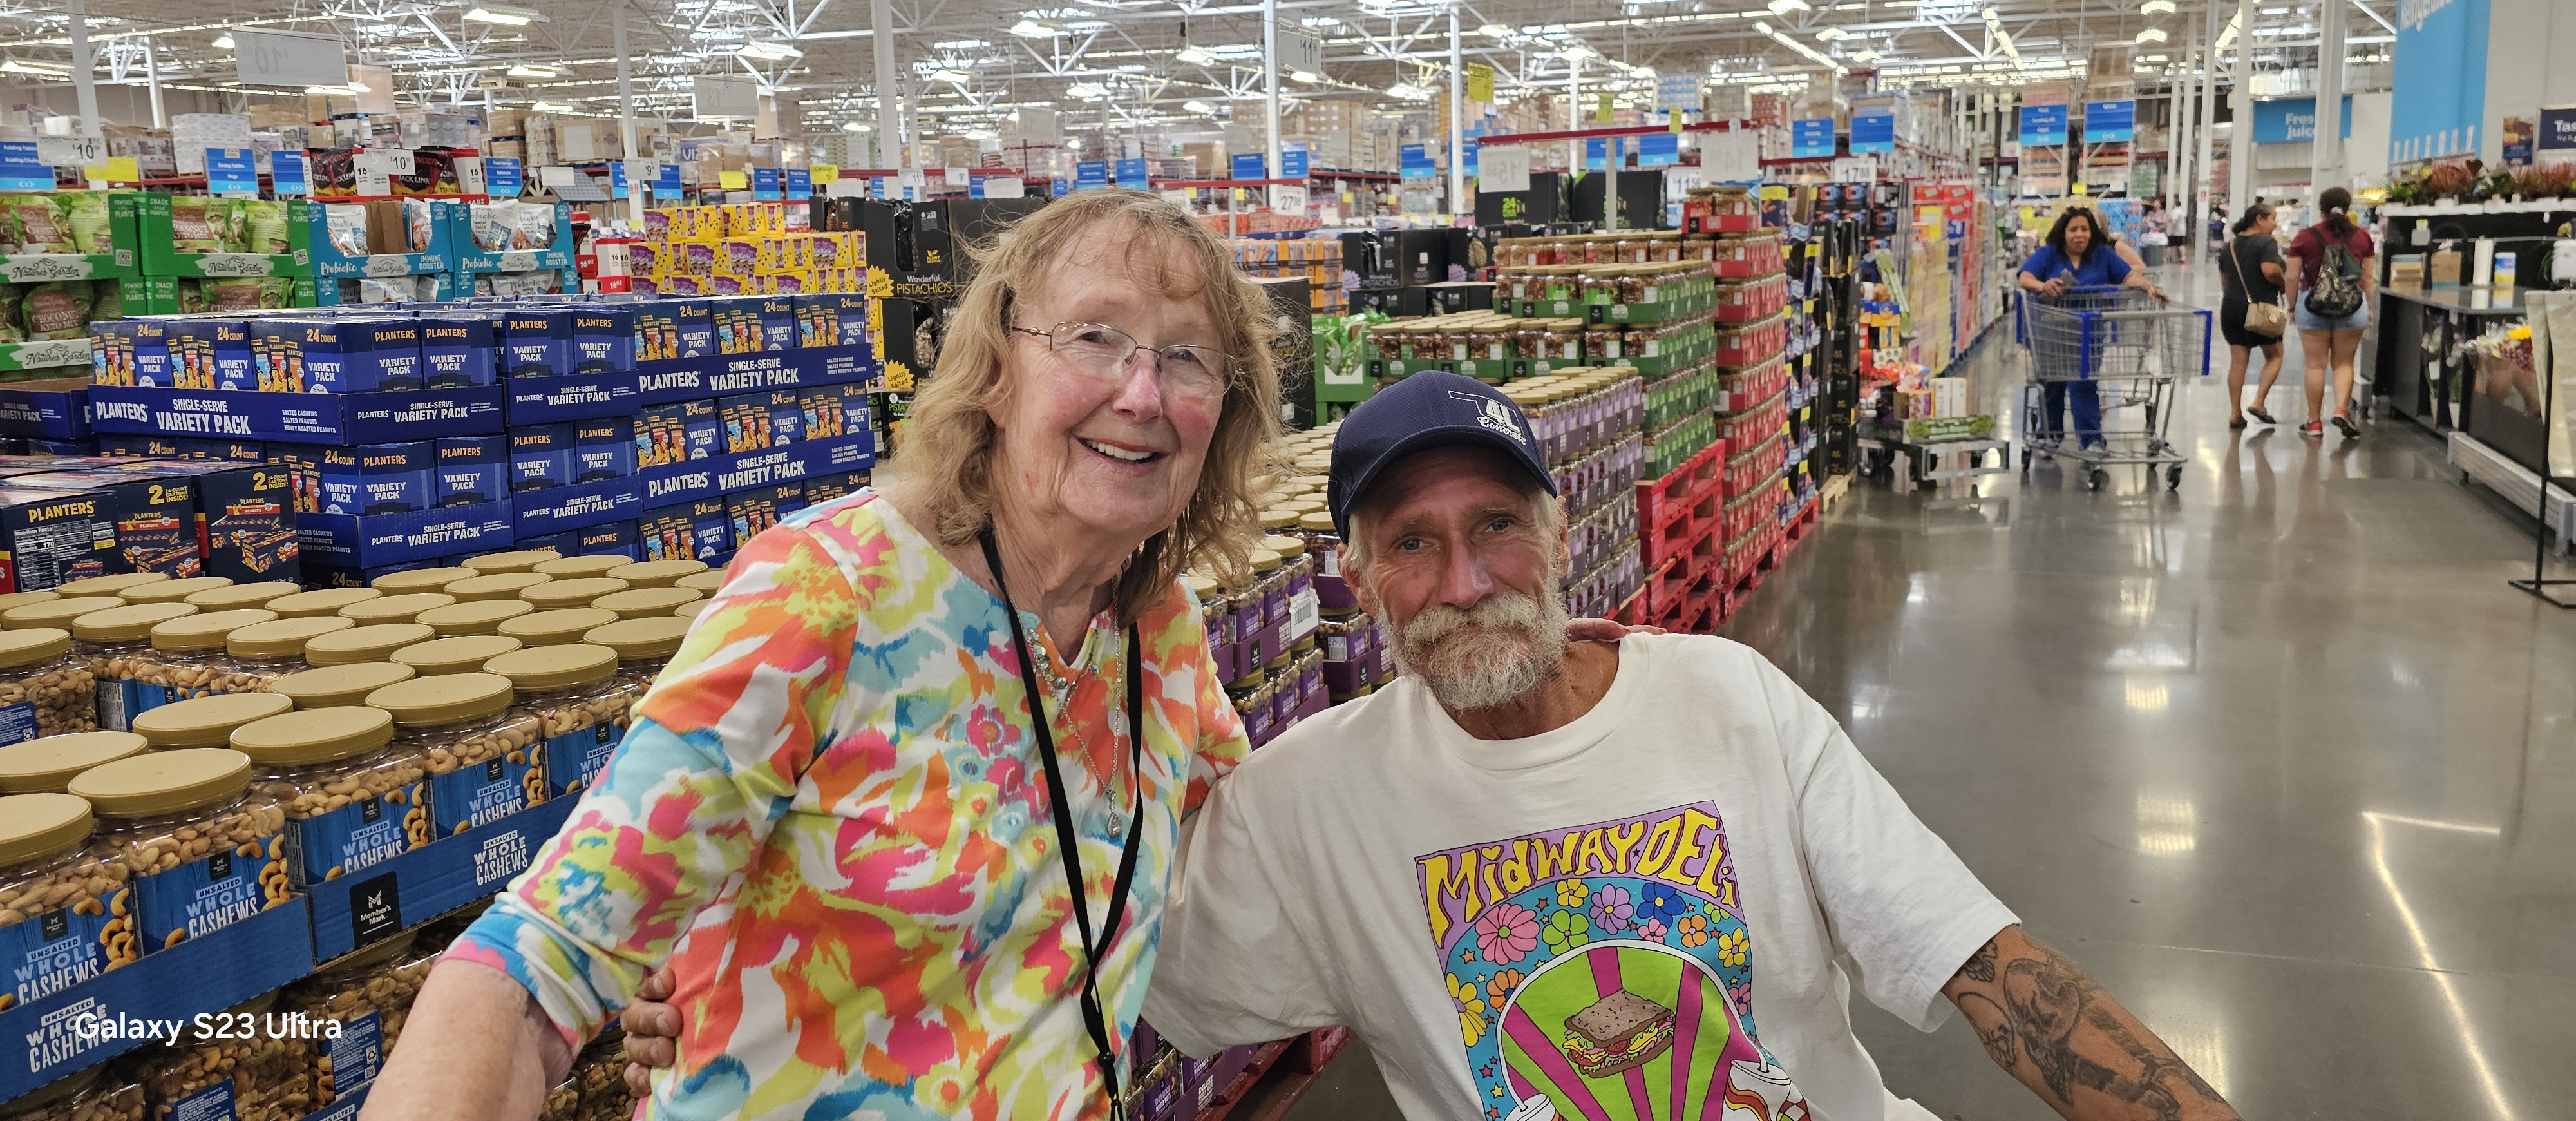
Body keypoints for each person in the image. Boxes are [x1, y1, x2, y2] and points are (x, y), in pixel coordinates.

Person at [629, 372, 2245, 1121]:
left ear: (1561, 531)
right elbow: (1049, 971)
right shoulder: (1307, 798)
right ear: (1357, 580)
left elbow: (1989, 975)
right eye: (1408, 543)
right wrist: (737, 987)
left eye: (1492, 525)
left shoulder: (1728, 702)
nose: (1460, 575)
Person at [363, 188, 1289, 1121]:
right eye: (1094, 337)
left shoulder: (1156, 626)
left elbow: (1246, 841)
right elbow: (537, 960)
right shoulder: (827, 595)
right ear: (999, 370)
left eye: (1187, 358)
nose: (1142, 392)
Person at [2016, 207, 2167, 450]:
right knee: (2052, 383)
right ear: (2063, 232)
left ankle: (2092, 440)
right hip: (2051, 332)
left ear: (2092, 232)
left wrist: (2147, 285)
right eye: (2073, 229)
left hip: (2090, 334)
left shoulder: (2103, 256)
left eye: (2085, 229)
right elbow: (2025, 278)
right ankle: (2048, 434)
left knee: (2084, 383)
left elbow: (2128, 276)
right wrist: (2043, 285)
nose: (2079, 234)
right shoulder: (2048, 254)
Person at [2282, 186, 2378, 439]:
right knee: (2344, 363)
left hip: (2312, 305)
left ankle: (2314, 423)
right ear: (2349, 209)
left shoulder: (2304, 237)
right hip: (2352, 306)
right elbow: (2368, 279)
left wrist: (2291, 306)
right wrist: (2370, 309)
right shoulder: (2362, 237)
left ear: (2320, 210)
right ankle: (2340, 410)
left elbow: (2291, 277)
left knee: (2315, 365)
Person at [2216, 202, 2287, 428]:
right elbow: (2270, 270)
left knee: (2238, 362)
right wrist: (2282, 283)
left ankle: (2235, 414)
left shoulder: (2230, 245)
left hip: (2231, 308)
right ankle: (2258, 402)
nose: (2275, 224)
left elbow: (2224, 280)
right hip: (2261, 309)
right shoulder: (2266, 242)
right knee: (2275, 356)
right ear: (2259, 219)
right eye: (2273, 219)